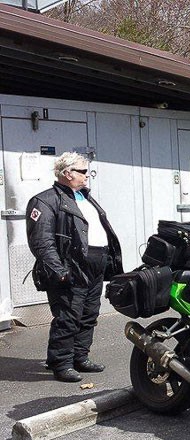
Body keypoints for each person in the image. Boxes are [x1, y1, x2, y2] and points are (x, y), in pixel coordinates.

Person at [26, 152, 123, 382]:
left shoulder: (85, 197)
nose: (87, 175)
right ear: (67, 173)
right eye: (83, 171)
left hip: (94, 266)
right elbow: (41, 241)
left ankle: (80, 357)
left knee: (89, 314)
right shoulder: (45, 200)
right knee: (67, 317)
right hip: (70, 268)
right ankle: (61, 363)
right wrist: (59, 270)